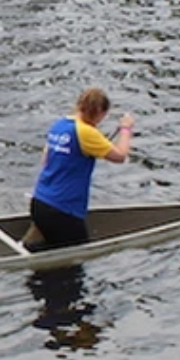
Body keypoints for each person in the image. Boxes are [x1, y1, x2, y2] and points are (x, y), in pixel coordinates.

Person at [28, 87, 135, 249]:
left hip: (39, 203)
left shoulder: (60, 125)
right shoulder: (86, 132)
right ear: (101, 112)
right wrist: (126, 129)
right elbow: (120, 156)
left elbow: (46, 161)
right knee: (76, 263)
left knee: (51, 251)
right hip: (62, 210)